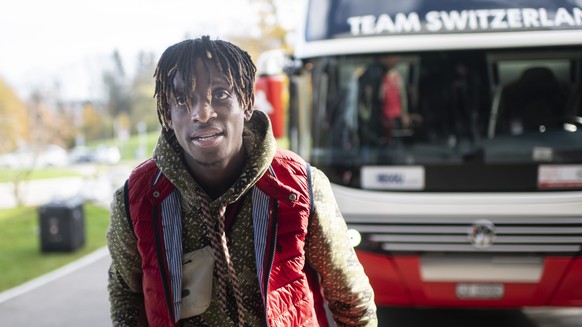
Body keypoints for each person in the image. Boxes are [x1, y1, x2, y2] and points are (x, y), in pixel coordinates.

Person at [106, 35, 377, 327]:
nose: (202, 113)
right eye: (183, 99)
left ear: (247, 103)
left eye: (220, 94)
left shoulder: (300, 188)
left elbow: (349, 297)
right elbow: (125, 293)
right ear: (167, 115)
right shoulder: (137, 198)